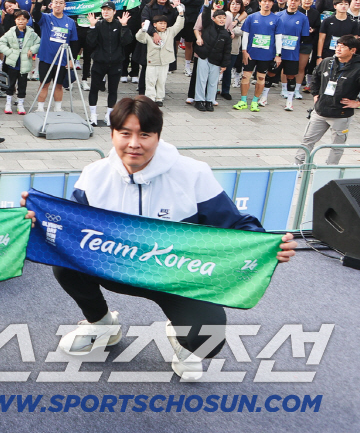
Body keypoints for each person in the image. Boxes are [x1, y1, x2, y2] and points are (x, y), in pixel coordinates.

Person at [21, 96, 296, 381]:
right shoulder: (94, 175)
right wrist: (34, 219)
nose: (134, 144)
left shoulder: (193, 174)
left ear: (158, 136)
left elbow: (235, 224)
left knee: (209, 340)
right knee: (65, 265)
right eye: (125, 133)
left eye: (144, 135)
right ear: (112, 133)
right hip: (114, 268)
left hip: (178, 277)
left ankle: (181, 337)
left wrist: (268, 246)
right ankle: (102, 324)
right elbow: (69, 229)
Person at [295, 34, 360, 164]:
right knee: (307, 140)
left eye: (343, 47)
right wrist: (315, 95)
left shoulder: (357, 68)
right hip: (320, 111)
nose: (338, 49)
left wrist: (357, 103)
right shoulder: (327, 62)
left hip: (341, 114)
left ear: (353, 50)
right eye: (338, 45)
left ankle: (329, 169)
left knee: (337, 146)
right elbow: (315, 77)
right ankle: (298, 166)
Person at [84, 4, 133, 126]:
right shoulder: (98, 24)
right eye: (103, 10)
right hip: (99, 62)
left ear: (114, 11)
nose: (105, 12)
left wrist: (124, 26)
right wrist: (92, 26)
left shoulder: (119, 24)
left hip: (115, 63)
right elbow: (90, 43)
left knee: (113, 90)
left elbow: (127, 42)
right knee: (94, 89)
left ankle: (109, 115)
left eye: (108, 10)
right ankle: (93, 115)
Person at [236, 0, 279, 111]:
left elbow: (278, 37)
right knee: (245, 76)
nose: (267, 3)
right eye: (264, 1)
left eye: (269, 1)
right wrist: (244, 50)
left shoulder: (276, 19)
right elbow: (245, 35)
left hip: (266, 54)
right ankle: (243, 100)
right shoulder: (251, 17)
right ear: (259, 3)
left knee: (261, 78)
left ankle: (255, 101)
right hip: (250, 53)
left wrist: (278, 54)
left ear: (272, 3)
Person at [134, 6, 185, 105]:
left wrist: (181, 14)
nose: (163, 25)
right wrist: (143, 29)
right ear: (154, 24)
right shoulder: (149, 34)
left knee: (161, 81)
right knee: (150, 81)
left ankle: (159, 98)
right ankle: (150, 97)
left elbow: (179, 25)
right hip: (152, 61)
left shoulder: (170, 31)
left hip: (165, 61)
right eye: (160, 23)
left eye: (164, 23)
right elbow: (139, 38)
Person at [192, 8, 232, 112]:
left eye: (224, 18)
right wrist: (206, 3)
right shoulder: (208, 26)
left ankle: (209, 101)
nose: (222, 20)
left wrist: (224, 64)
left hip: (217, 60)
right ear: (213, 18)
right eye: (219, 18)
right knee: (201, 79)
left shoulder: (226, 34)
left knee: (213, 82)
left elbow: (227, 51)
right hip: (204, 56)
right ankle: (199, 100)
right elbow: (205, 15)